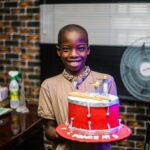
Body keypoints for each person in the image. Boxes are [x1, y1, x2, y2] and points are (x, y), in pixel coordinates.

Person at [38, 24, 117, 150]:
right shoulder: (48, 86)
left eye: (80, 48)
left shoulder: (107, 81)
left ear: (88, 50)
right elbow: (48, 129)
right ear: (58, 51)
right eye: (66, 49)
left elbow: (112, 124)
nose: (73, 54)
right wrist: (68, 134)